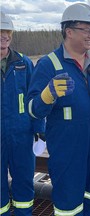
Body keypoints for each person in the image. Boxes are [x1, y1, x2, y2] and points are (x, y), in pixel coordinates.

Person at [27, 3, 90, 216]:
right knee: (69, 206)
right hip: (68, 151)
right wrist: (47, 94)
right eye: (86, 30)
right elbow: (32, 110)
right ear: (69, 32)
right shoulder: (48, 65)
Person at [0, 12, 45, 215]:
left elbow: (34, 99)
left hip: (22, 136)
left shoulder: (23, 63)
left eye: (7, 32)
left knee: (24, 183)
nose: (4, 36)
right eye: (0, 32)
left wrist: (39, 130)